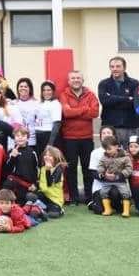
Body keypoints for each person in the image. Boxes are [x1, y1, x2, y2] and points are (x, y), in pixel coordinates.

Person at [59, 70, 99, 204]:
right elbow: (66, 112)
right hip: (69, 138)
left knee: (88, 168)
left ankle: (89, 197)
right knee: (71, 169)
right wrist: (84, 109)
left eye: (78, 78)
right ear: (69, 81)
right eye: (73, 78)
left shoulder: (90, 94)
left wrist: (75, 111)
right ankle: (74, 197)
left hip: (86, 138)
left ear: (82, 80)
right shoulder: (64, 95)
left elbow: (95, 112)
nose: (76, 80)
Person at [97, 56, 139, 147]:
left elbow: (134, 102)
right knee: (111, 153)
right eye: (112, 67)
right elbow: (104, 101)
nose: (115, 69)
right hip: (110, 127)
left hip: (130, 127)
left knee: (130, 153)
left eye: (118, 66)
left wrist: (112, 98)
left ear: (124, 67)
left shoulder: (134, 83)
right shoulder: (103, 84)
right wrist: (126, 98)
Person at [95, 136, 133, 217]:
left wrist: (119, 175)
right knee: (103, 193)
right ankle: (108, 209)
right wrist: (102, 173)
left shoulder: (125, 156)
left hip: (120, 181)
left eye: (109, 149)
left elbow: (129, 168)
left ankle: (126, 211)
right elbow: (100, 166)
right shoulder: (104, 156)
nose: (107, 151)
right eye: (106, 149)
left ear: (116, 146)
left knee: (125, 193)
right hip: (107, 180)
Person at [36, 145, 66, 217]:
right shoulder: (42, 168)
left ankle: (59, 210)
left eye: (50, 156)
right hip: (44, 196)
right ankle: (42, 209)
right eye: (45, 155)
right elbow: (39, 182)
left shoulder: (59, 169)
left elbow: (50, 183)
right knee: (30, 196)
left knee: (53, 215)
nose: (47, 157)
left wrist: (48, 171)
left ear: (55, 157)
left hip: (54, 200)